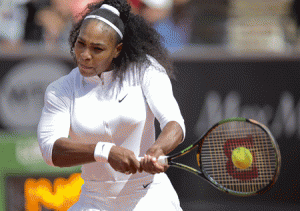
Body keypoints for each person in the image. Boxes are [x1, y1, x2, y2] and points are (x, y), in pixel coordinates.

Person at [37, 0, 185, 210]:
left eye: (97, 48)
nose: (85, 55)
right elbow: (50, 150)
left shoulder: (146, 70)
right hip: (94, 200)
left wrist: (157, 150)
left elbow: (174, 123)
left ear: (117, 49)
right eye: (81, 43)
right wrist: (105, 151)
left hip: (151, 198)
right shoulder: (60, 89)